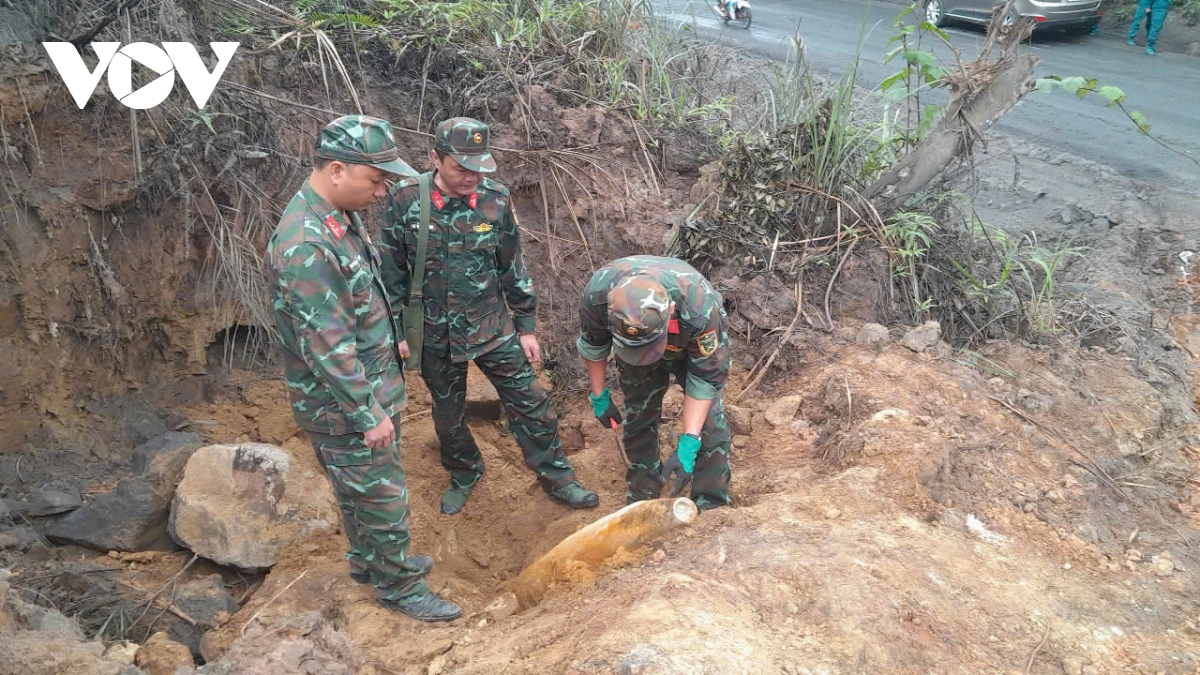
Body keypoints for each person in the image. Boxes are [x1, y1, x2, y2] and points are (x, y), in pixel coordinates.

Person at [267, 115, 460, 622]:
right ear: (336, 169)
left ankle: (370, 561)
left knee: (357, 492)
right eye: (375, 180)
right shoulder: (307, 244)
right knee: (381, 498)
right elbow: (327, 345)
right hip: (344, 405)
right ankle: (398, 588)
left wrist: (390, 340)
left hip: (364, 387)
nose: (381, 192)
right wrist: (367, 411)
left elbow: (358, 298)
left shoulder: (335, 215)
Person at [380, 117, 600, 516]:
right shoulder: (405, 199)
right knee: (448, 416)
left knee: (530, 401)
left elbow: (511, 266)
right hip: (433, 333)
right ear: (435, 158)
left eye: (478, 167)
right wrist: (396, 331)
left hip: (492, 325)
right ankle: (465, 471)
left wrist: (526, 325)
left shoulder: (496, 199)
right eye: (461, 168)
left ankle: (558, 477)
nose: (471, 177)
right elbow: (391, 272)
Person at [577, 256, 732, 512]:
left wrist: (689, 442)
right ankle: (642, 495)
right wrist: (599, 395)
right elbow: (594, 345)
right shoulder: (598, 294)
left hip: (687, 342)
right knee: (639, 415)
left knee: (711, 421)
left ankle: (710, 504)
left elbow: (704, 380)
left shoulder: (699, 307)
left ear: (670, 310)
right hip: (632, 350)